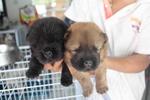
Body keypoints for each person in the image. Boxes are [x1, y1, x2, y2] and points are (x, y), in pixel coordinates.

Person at [44, 0, 150, 100]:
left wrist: (100, 61)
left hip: (127, 92)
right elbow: (65, 36)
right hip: (87, 91)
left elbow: (143, 59)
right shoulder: (84, 2)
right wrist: (55, 58)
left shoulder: (145, 7)